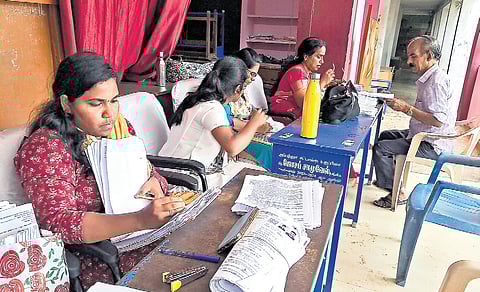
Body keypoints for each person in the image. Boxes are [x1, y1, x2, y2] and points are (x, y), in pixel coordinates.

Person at [14, 53, 186, 288]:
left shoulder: (119, 128)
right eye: (96, 104)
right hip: (101, 255)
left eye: (114, 100)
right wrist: (139, 220)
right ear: (66, 104)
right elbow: (57, 223)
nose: (110, 113)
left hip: (144, 232)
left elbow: (150, 171)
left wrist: (154, 183)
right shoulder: (47, 146)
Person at [372, 35, 458, 208]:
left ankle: (397, 192)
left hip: (431, 143)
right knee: (385, 135)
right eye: (409, 56)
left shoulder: (436, 83)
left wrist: (406, 108)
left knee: (381, 148)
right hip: (422, 134)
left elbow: (437, 121)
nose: (409, 61)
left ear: (429, 56)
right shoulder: (429, 78)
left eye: (414, 56)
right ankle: (391, 180)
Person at [159, 56, 268, 174]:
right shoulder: (212, 108)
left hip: (179, 167)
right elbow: (233, 148)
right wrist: (254, 123)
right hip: (182, 175)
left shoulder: (199, 98)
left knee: (257, 171)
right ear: (237, 89)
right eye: (244, 87)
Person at [224, 48, 284, 169]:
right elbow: (227, 122)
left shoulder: (243, 89)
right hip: (236, 135)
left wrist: (260, 119)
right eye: (251, 74)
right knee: (271, 149)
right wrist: (256, 127)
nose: (253, 78)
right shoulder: (227, 91)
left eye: (255, 75)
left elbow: (249, 108)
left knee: (282, 143)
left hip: (249, 129)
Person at [271, 37, 335, 118]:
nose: (322, 61)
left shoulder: (307, 73)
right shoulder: (297, 72)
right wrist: (322, 83)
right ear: (306, 56)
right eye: (318, 57)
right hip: (287, 116)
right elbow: (305, 103)